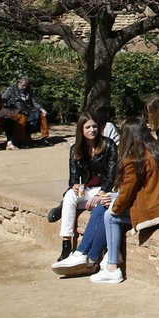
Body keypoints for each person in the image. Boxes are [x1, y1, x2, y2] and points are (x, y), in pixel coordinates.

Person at [69, 117, 159, 284]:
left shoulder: (134, 158)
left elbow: (127, 193)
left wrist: (113, 206)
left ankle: (111, 267)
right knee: (112, 209)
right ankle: (107, 253)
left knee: (110, 216)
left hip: (157, 214)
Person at [47, 111, 117, 262]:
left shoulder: (109, 145)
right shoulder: (75, 149)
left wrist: (101, 193)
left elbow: (112, 175)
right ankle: (66, 243)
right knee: (69, 196)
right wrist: (75, 187)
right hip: (85, 189)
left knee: (95, 204)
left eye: (95, 127)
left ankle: (76, 207)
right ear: (81, 130)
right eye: (88, 127)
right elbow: (73, 177)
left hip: (103, 188)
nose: (92, 130)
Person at [2, 75, 48, 145]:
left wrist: (41, 109)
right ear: (18, 83)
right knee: (21, 117)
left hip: (26, 111)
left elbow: (34, 102)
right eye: (23, 85)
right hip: (13, 111)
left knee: (42, 114)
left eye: (26, 85)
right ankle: (21, 140)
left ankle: (44, 138)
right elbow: (3, 100)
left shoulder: (28, 91)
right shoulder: (10, 89)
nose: (24, 87)